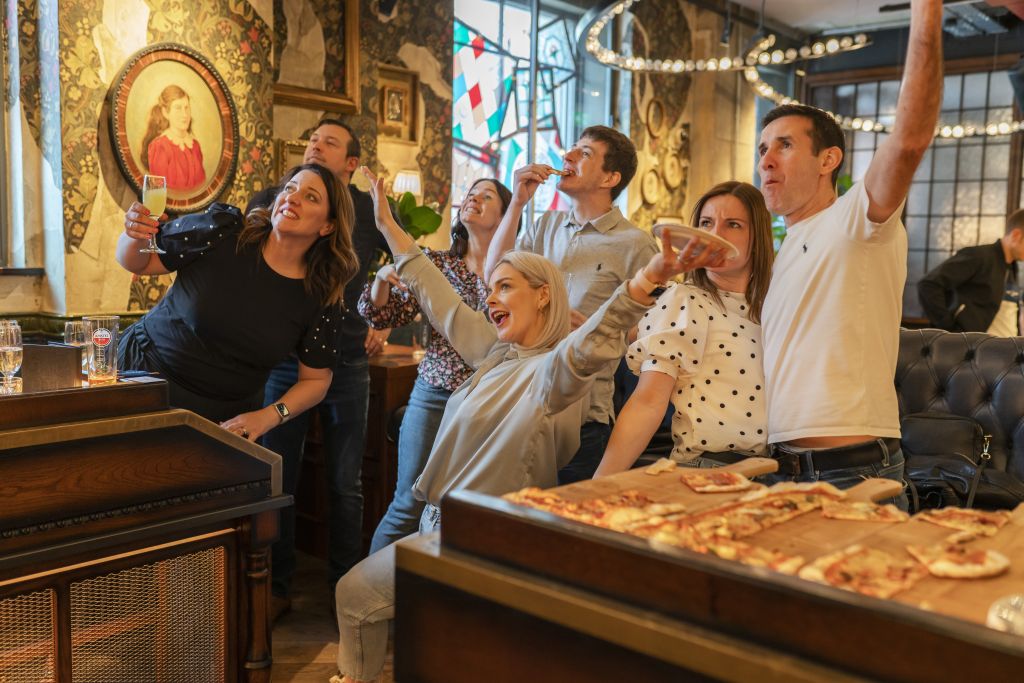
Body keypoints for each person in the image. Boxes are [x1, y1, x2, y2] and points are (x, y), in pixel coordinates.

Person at [331, 166, 716, 683]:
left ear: (542, 295)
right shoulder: (494, 352)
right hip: (438, 527)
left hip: (483, 538)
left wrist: (648, 278)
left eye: (506, 287)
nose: (491, 297)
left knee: (420, 633)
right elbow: (432, 288)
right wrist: (386, 225)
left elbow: (596, 339)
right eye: (491, 288)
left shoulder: (554, 373)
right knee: (359, 598)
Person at [756, 0, 943, 507]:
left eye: (784, 146)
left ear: (828, 160)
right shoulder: (785, 249)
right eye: (763, 149)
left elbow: (909, 142)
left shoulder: (854, 221)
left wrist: (926, 11)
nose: (766, 161)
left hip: (850, 468)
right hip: (777, 465)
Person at [245, 119, 391, 621]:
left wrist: (384, 321)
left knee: (345, 482)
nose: (314, 145)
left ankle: (345, 589)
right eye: (312, 138)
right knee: (278, 475)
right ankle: (277, 586)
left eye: (329, 142)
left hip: (347, 361)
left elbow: (405, 265)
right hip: (285, 361)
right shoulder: (272, 199)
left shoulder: (369, 210)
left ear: (351, 163)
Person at [116, 163, 359, 441]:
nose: (293, 197)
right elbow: (137, 261)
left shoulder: (322, 294)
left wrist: (270, 416)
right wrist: (134, 233)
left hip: (227, 420)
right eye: (290, 188)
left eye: (311, 197)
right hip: (145, 381)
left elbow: (316, 380)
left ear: (328, 226)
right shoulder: (222, 231)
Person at [484, 125, 660, 484]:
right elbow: (495, 276)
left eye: (585, 153)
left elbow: (650, 335)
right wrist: (517, 202)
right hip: (524, 400)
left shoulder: (635, 244)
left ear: (610, 178)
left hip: (584, 414)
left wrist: (594, 328)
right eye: (572, 148)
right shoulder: (546, 225)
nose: (568, 156)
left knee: (567, 516)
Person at [360, 177, 515, 553]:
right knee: (408, 504)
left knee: (471, 508)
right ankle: (367, 587)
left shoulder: (513, 272)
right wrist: (381, 279)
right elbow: (384, 315)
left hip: (491, 402)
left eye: (486, 195)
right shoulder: (437, 263)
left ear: (506, 214)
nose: (473, 199)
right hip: (435, 396)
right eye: (470, 194)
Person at [594, 181, 774, 477]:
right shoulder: (686, 299)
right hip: (708, 469)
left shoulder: (773, 306)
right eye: (706, 223)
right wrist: (601, 483)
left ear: (758, 236)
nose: (716, 234)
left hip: (769, 472)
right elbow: (648, 401)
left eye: (733, 224)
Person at [917, 209, 1024, 335]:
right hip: (973, 345)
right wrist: (950, 330)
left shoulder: (1012, 267)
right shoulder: (980, 257)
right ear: (1016, 236)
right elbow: (928, 285)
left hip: (1006, 346)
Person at [142, 85, 206, 191]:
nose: (184, 114)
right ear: (165, 113)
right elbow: (154, 194)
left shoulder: (195, 146)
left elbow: (202, 188)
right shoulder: (159, 146)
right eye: (178, 108)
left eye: (187, 108)